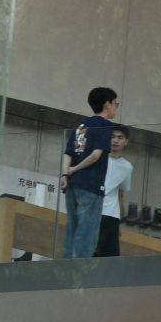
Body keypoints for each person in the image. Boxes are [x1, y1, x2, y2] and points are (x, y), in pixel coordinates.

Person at [60, 86, 120, 260]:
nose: (116, 106)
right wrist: (74, 169)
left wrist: (66, 174)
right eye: (116, 103)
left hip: (72, 185)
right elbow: (96, 155)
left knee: (73, 229)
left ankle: (66, 268)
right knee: (87, 233)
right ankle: (79, 275)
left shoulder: (81, 126)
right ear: (107, 104)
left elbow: (68, 153)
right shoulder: (105, 125)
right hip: (91, 185)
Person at [99, 130, 134, 255]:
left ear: (126, 142)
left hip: (112, 215)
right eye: (112, 136)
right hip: (95, 211)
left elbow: (122, 193)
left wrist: (119, 221)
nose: (115, 140)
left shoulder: (127, 166)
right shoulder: (98, 157)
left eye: (120, 137)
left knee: (110, 256)